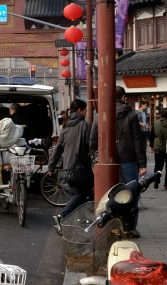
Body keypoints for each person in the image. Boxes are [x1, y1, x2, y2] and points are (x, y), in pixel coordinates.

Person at [90, 86, 147, 237]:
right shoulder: (131, 115)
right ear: (123, 98)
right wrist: (142, 164)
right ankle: (129, 228)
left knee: (107, 196)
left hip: (105, 160)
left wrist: (95, 156)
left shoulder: (99, 115)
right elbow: (138, 140)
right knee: (131, 194)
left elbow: (93, 140)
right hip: (128, 159)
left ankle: (108, 228)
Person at [48, 99, 92, 234]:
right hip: (79, 168)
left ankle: (82, 219)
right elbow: (91, 145)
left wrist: (51, 166)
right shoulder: (84, 125)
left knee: (79, 195)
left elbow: (58, 149)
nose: (86, 112)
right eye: (85, 109)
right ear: (80, 110)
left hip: (67, 168)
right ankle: (62, 217)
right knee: (84, 194)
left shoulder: (66, 127)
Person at [150, 107, 167, 190]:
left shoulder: (156, 123)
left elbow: (152, 135)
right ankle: (166, 184)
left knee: (158, 165)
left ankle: (156, 177)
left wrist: (151, 146)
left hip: (158, 146)